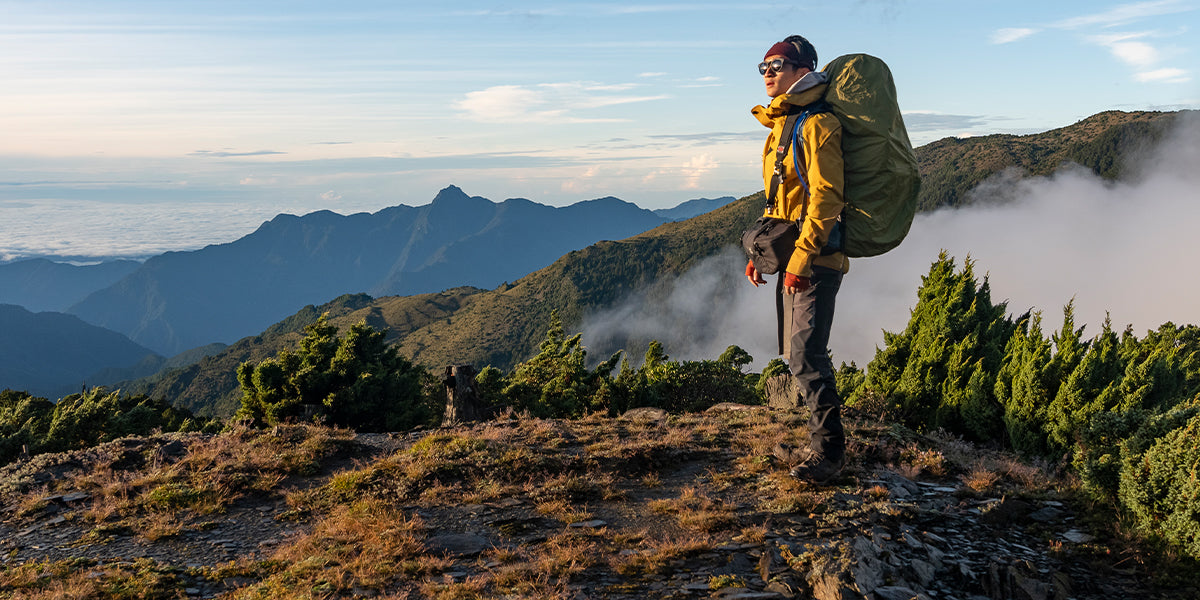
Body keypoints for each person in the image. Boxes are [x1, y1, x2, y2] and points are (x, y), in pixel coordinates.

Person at [746, 35, 848, 484]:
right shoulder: (783, 124)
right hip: (790, 257)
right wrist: (760, 253)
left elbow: (826, 198)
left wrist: (800, 260)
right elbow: (780, 200)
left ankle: (829, 454)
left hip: (816, 259)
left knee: (807, 354)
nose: (768, 73)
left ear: (803, 69)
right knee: (795, 354)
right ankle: (818, 444)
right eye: (763, 66)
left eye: (777, 65)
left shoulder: (817, 124)